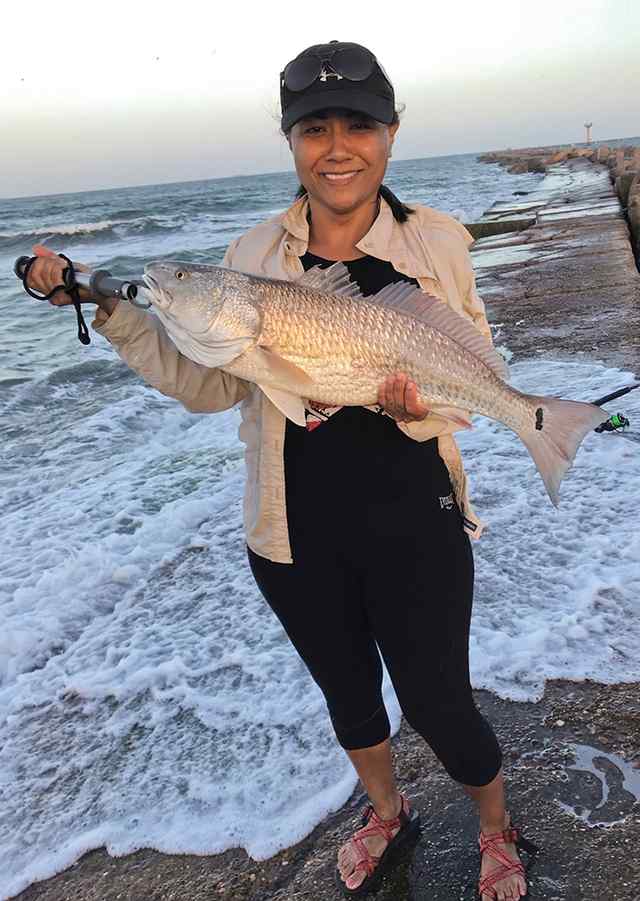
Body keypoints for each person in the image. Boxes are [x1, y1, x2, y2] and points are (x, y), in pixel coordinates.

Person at [26, 40, 538, 901]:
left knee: (444, 707)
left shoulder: (441, 241)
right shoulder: (250, 254)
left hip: (415, 524)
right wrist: (109, 307)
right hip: (292, 534)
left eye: (359, 125)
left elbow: (469, 370)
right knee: (349, 698)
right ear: (291, 141)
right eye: (314, 128)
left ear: (391, 133)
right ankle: (385, 810)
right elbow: (207, 379)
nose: (338, 146)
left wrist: (426, 410)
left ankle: (496, 824)